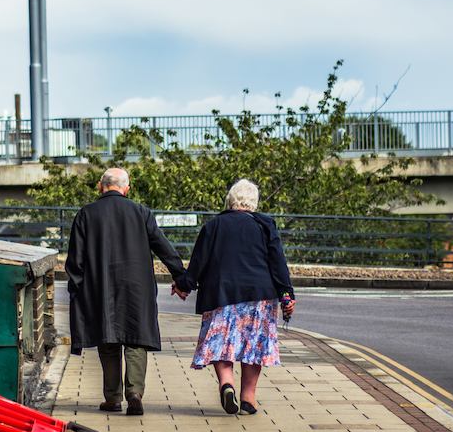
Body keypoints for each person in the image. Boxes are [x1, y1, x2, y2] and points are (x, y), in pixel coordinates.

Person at [66, 167, 189, 416]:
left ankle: (112, 398)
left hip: (100, 286)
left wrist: (76, 287)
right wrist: (180, 277)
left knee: (108, 339)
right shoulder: (141, 212)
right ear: (127, 188)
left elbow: (75, 260)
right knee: (136, 339)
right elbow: (163, 246)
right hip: (137, 287)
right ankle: (134, 392)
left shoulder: (86, 214)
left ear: (101, 187)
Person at [173, 179, 295, 415]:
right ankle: (248, 398)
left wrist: (184, 284)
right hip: (259, 296)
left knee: (221, 344)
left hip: (221, 294)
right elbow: (278, 263)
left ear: (229, 201)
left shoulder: (214, 225)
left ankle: (226, 384)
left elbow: (198, 262)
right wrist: (286, 295)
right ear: (254, 203)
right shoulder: (265, 224)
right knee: (253, 347)